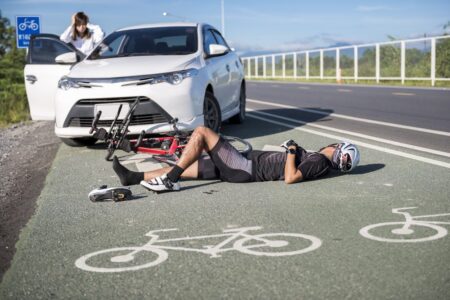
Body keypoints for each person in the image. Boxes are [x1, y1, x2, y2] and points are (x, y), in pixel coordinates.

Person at [113, 126, 360, 192]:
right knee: (189, 168)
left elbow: (290, 178)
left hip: (245, 167)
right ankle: (132, 177)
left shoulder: (319, 161)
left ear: (337, 148)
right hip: (243, 165)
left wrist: (293, 150)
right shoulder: (320, 164)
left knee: (202, 132)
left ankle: (169, 180)